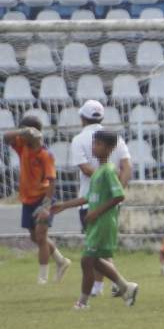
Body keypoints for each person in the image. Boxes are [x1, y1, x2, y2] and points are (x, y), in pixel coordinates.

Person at [52, 131, 138, 309]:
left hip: (103, 223)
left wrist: (96, 213)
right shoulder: (99, 172)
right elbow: (88, 197)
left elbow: (119, 196)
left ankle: (82, 302)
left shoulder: (109, 171)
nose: (94, 147)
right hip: (96, 223)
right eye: (94, 143)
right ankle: (126, 287)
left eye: (98, 144)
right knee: (94, 260)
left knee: (87, 260)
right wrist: (64, 205)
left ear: (109, 148)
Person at [69, 100, 132, 298]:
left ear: (82, 118)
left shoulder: (79, 139)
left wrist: (105, 185)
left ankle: (115, 285)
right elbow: (127, 167)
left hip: (91, 201)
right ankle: (106, 286)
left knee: (94, 249)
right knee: (100, 249)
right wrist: (116, 188)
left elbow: (85, 169)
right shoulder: (114, 138)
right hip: (111, 202)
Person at [5, 115, 70, 284]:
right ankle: (61, 261)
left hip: (43, 199)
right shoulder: (22, 146)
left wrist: (46, 206)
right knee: (35, 237)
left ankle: (42, 278)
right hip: (27, 199)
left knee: (41, 237)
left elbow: (51, 181)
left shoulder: (45, 155)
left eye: (25, 131)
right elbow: (6, 137)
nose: (21, 136)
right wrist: (21, 131)